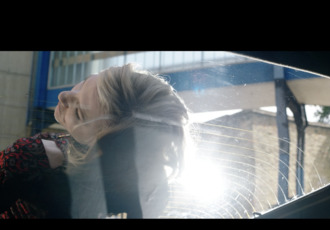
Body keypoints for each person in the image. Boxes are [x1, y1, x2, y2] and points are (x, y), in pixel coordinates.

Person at [0, 63, 190, 218]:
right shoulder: (151, 196)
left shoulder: (33, 157)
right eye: (84, 83)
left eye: (79, 113)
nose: (63, 96)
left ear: (102, 145)